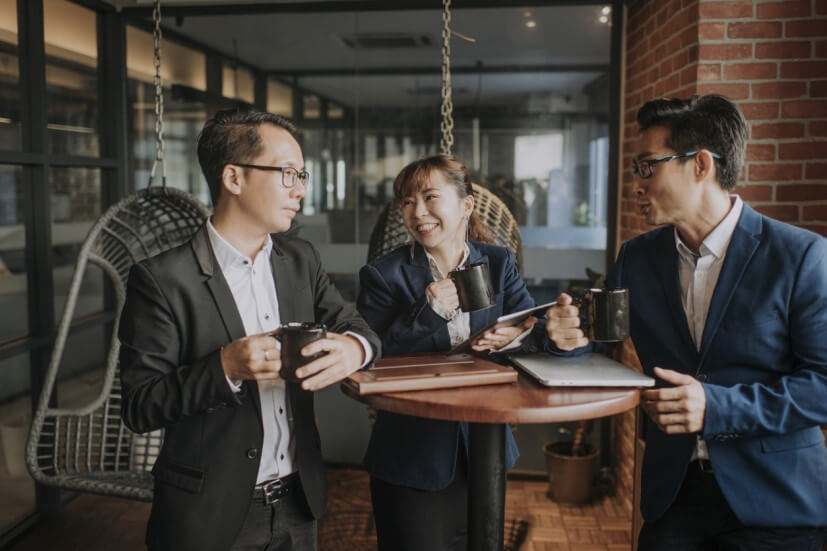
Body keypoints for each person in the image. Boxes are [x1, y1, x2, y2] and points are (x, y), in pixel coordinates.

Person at [546, 95, 827, 549]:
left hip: (777, 504)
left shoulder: (800, 256)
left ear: (700, 164)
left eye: (646, 167)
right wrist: (566, 337)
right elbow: (598, 348)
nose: (636, 185)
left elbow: (823, 385)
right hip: (673, 497)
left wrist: (717, 407)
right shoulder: (636, 258)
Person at [118, 109, 380, 551]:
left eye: (303, 174)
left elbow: (357, 328)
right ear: (234, 178)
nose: (300, 189)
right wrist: (224, 366)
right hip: (208, 514)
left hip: (299, 502)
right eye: (287, 173)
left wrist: (354, 350)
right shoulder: (162, 279)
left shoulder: (301, 259)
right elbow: (140, 405)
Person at [357, 154, 553, 551]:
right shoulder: (384, 275)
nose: (418, 212)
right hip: (412, 457)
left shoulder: (498, 264)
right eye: (408, 202)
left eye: (430, 197)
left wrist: (513, 338)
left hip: (486, 453)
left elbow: (531, 326)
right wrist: (429, 312)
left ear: (466, 205)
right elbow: (370, 356)